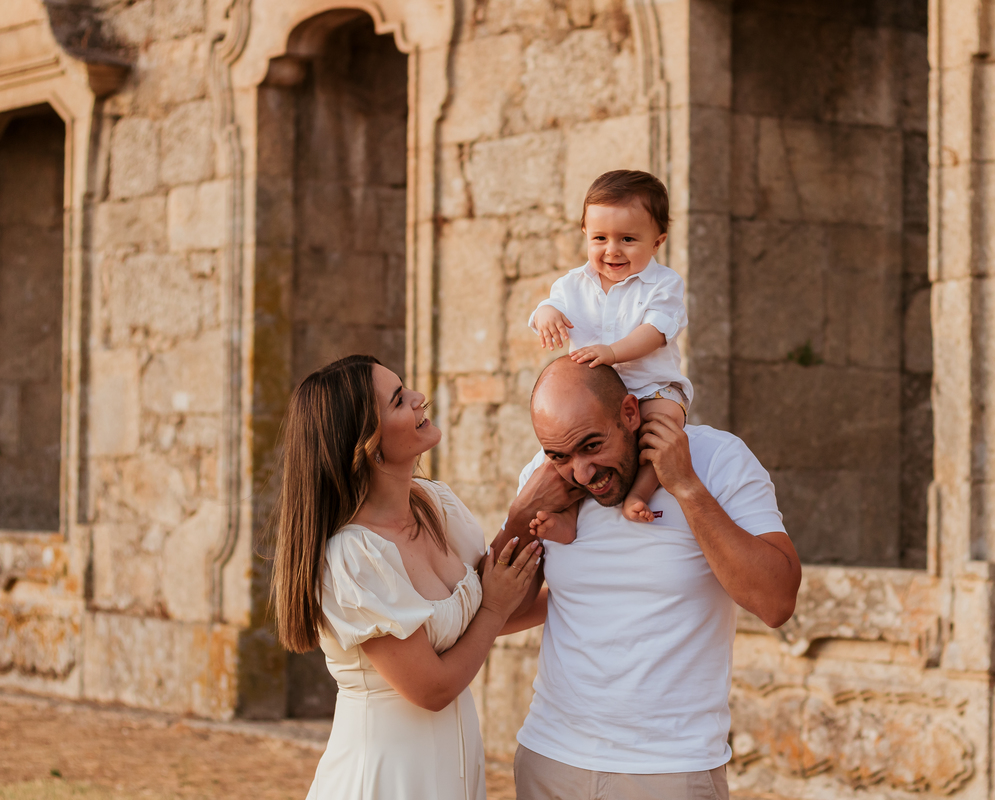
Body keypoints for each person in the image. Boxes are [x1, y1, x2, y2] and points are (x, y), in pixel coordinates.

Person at [505, 357, 804, 800]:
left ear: (629, 413)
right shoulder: (545, 480)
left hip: (670, 771)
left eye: (592, 446)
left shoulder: (718, 459)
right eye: (559, 455)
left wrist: (686, 486)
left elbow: (776, 602)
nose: (582, 474)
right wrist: (520, 513)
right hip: (550, 760)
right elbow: (499, 613)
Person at [269, 355, 551, 800]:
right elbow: (432, 688)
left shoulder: (436, 504)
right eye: (400, 400)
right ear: (368, 444)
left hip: (454, 771)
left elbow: (489, 612)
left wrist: (589, 587)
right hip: (386, 778)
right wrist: (496, 607)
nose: (420, 399)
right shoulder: (352, 556)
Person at [530, 169, 691, 530]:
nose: (612, 250)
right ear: (585, 234)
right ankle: (568, 515)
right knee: (573, 453)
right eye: (600, 237)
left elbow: (655, 331)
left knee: (663, 430)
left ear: (657, 242)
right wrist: (546, 314)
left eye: (628, 239)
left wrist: (613, 352)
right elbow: (548, 305)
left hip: (652, 388)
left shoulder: (663, 284)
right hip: (593, 399)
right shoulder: (573, 284)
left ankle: (640, 493)